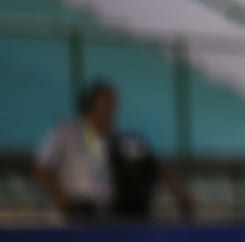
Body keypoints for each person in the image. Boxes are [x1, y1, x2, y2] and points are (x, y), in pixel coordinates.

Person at [35, 79, 194, 223]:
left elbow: (154, 164)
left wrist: (179, 190)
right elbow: (42, 168)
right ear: (90, 103)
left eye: (113, 102)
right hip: (73, 216)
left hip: (105, 216)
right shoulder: (65, 132)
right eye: (104, 101)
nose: (110, 107)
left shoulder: (119, 139)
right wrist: (63, 201)